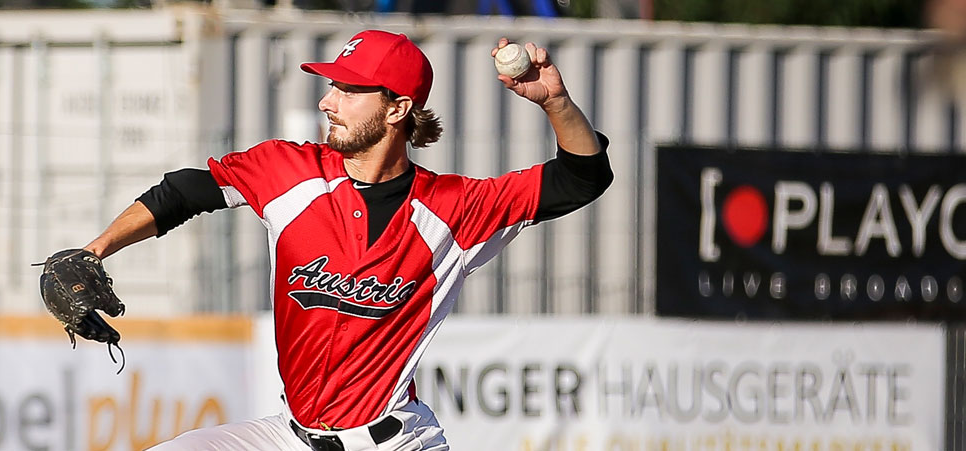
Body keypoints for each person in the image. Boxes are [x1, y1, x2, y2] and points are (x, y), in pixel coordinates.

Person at [75, 30, 612, 450]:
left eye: (349, 90)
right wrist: (94, 250)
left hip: (394, 441)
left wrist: (556, 103)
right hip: (289, 436)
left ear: (398, 109)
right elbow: (185, 191)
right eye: (332, 86)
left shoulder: (454, 209)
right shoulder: (290, 172)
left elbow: (581, 178)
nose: (328, 102)